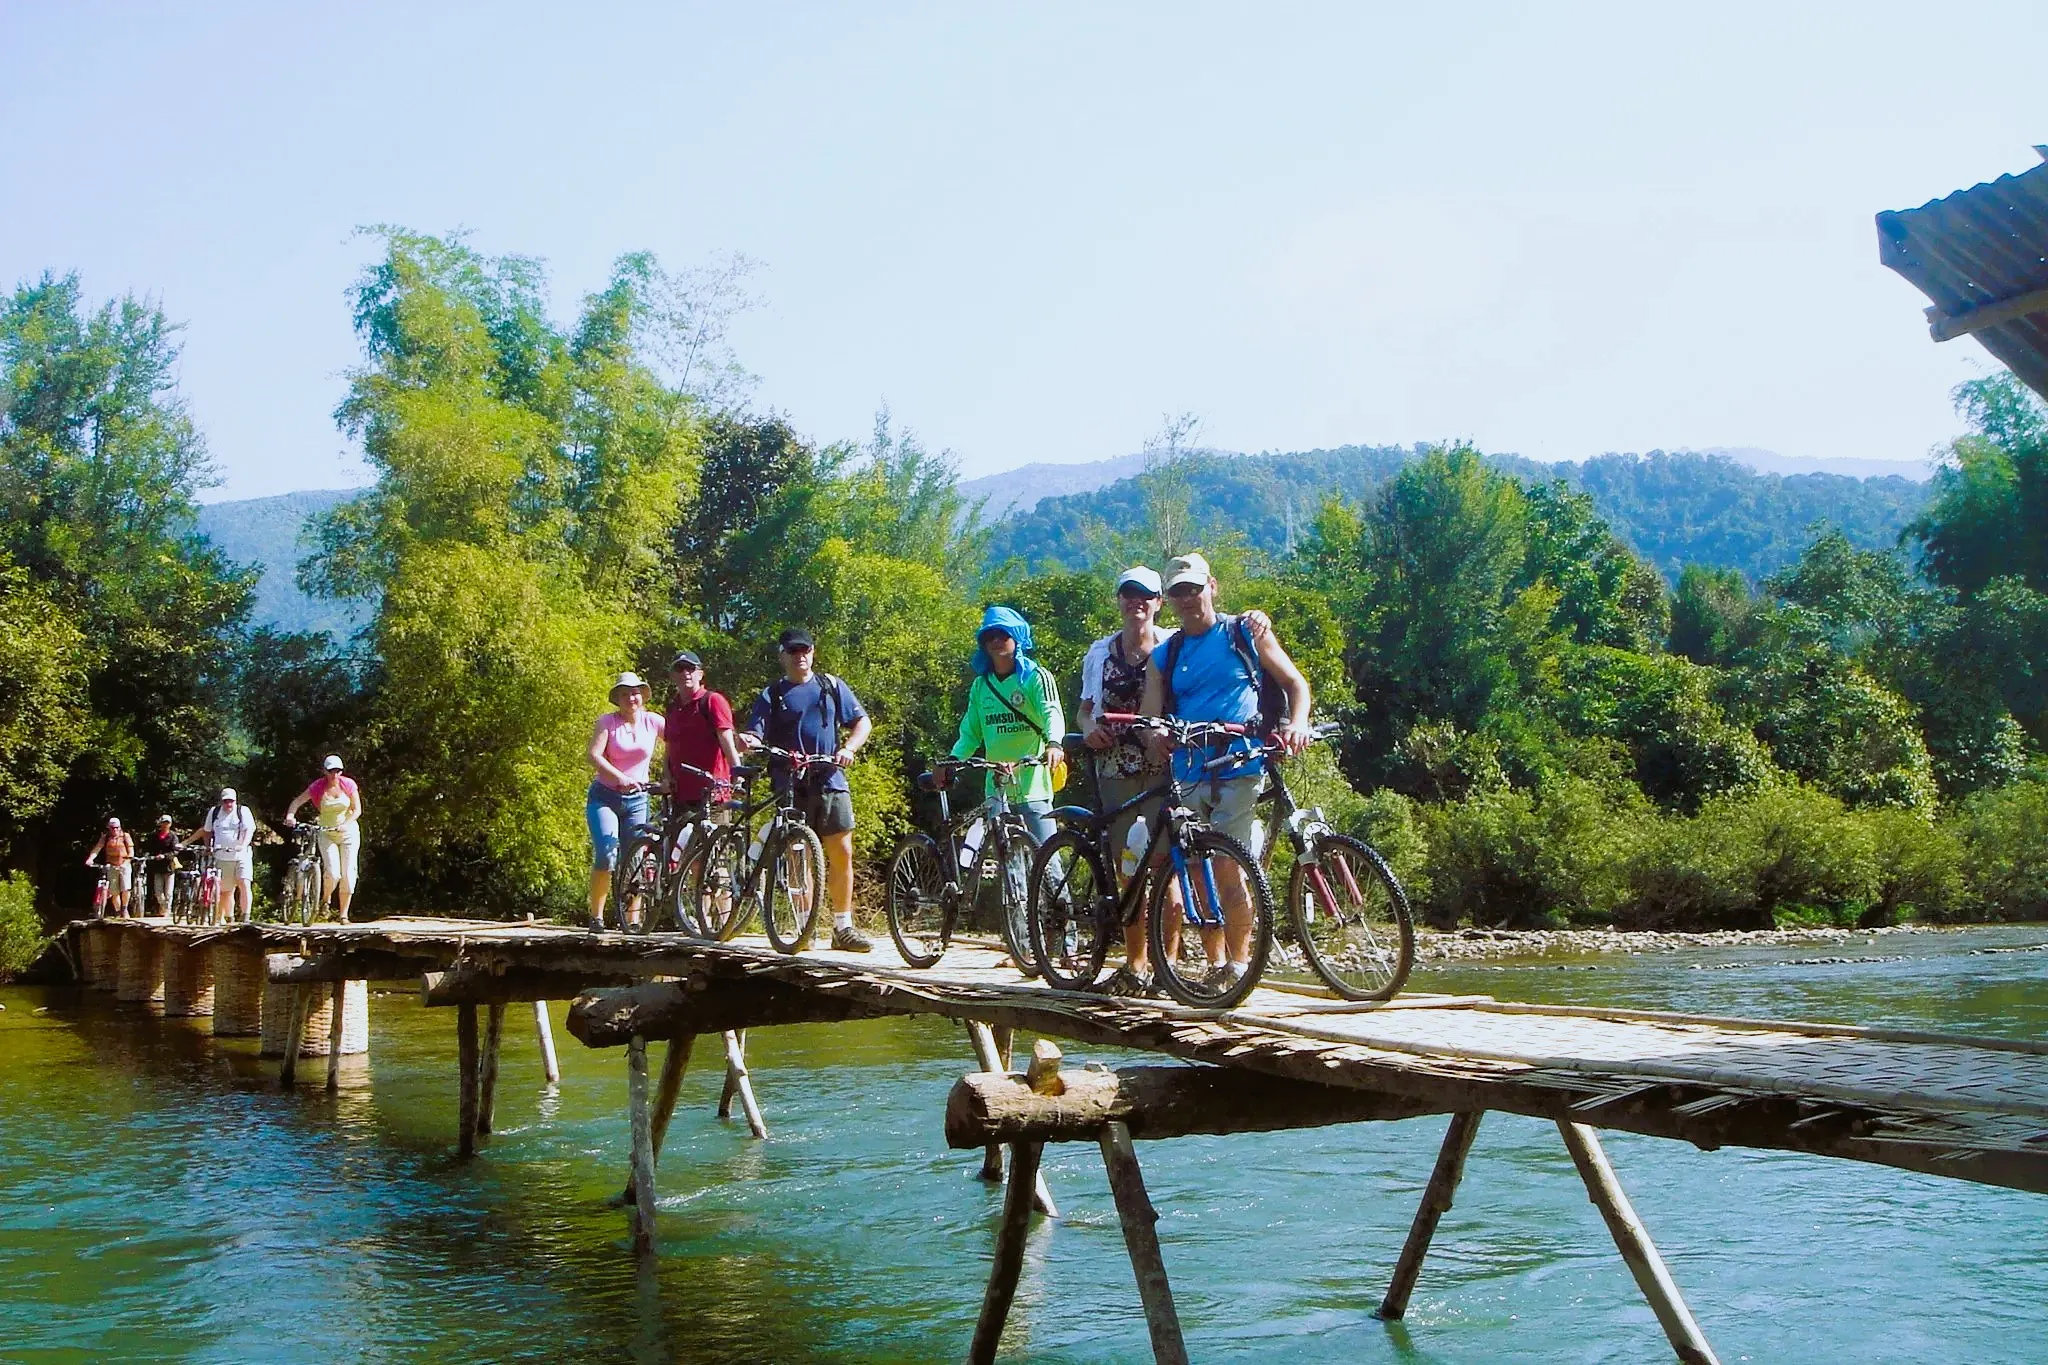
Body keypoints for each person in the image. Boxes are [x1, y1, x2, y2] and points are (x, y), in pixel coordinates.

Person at [1139, 551, 1312, 993]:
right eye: (1178, 592)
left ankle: (1238, 968)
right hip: (1190, 770)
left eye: (1194, 589)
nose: (1187, 599)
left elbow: (1295, 684)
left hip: (1240, 764)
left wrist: (1298, 722)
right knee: (1198, 872)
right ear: (1171, 599)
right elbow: (1150, 716)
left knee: (1230, 870)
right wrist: (1155, 735)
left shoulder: (1245, 632)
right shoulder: (1166, 653)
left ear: (1211, 586)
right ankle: (1219, 967)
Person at [740, 628, 873, 952]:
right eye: (794, 651)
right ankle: (806, 927)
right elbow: (755, 732)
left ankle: (843, 928)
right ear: (782, 655)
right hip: (789, 784)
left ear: (813, 652)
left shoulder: (831, 686)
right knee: (800, 858)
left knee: (842, 852)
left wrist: (850, 748)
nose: (801, 656)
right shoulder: (772, 694)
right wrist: (749, 741)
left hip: (830, 778)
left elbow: (862, 722)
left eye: (806, 650)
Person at [950, 606, 1065, 844]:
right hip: (997, 789)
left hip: (1033, 787)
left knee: (1048, 862)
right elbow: (970, 733)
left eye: (1003, 634)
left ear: (1017, 637)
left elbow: (1051, 712)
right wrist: (953, 760)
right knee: (1009, 866)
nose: (996, 641)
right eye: (989, 636)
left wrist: (1054, 744)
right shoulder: (981, 685)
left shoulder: (1035, 677)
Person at [586, 672, 663, 932]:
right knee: (607, 854)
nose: (632, 697)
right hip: (605, 796)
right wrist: (620, 777)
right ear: (617, 698)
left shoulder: (652, 722)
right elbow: (594, 755)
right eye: (625, 693)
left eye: (636, 692)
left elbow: (681, 739)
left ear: (643, 696)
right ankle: (596, 916)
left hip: (638, 800)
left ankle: (633, 919)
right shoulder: (608, 722)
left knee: (636, 859)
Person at [663, 651, 743, 819]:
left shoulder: (712, 701)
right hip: (681, 796)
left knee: (715, 844)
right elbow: (669, 747)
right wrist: (667, 776)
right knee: (680, 845)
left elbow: (726, 740)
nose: (685, 673)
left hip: (712, 794)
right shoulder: (672, 708)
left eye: (690, 669)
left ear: (700, 673)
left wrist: (737, 771)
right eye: (680, 669)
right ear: (673, 675)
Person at [283, 755, 364, 921]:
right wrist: (291, 816)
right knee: (333, 873)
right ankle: (325, 900)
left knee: (348, 874)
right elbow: (297, 802)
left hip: (348, 833)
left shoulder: (348, 785)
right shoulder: (317, 787)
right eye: (331, 771)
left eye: (337, 770)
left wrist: (346, 823)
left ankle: (343, 915)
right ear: (325, 771)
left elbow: (357, 810)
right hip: (326, 832)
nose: (334, 774)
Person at [201, 788, 256, 923]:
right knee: (225, 890)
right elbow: (207, 831)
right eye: (226, 801)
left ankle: (245, 916)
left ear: (235, 801)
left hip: (241, 855)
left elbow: (249, 830)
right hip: (221, 856)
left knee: (244, 883)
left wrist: (243, 845)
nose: (228, 804)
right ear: (221, 801)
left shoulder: (243, 811)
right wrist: (209, 847)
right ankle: (229, 917)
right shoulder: (214, 812)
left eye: (231, 801)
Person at [85, 817, 135, 917]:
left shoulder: (125, 836)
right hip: (112, 865)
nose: (115, 830)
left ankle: (124, 909)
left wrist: (127, 861)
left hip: (124, 864)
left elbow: (131, 851)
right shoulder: (106, 837)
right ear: (109, 828)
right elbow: (97, 848)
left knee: (125, 888)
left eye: (117, 827)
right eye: (112, 828)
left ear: (120, 827)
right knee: (114, 891)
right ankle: (118, 911)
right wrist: (90, 859)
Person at [139, 815, 181, 916]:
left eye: (168, 823)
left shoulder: (173, 836)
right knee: (158, 892)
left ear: (170, 824)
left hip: (169, 867)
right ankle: (163, 907)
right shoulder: (154, 836)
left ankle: (167, 910)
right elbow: (148, 848)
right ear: (160, 823)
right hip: (156, 868)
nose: (165, 825)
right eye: (164, 822)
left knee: (169, 893)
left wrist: (165, 856)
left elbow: (175, 851)